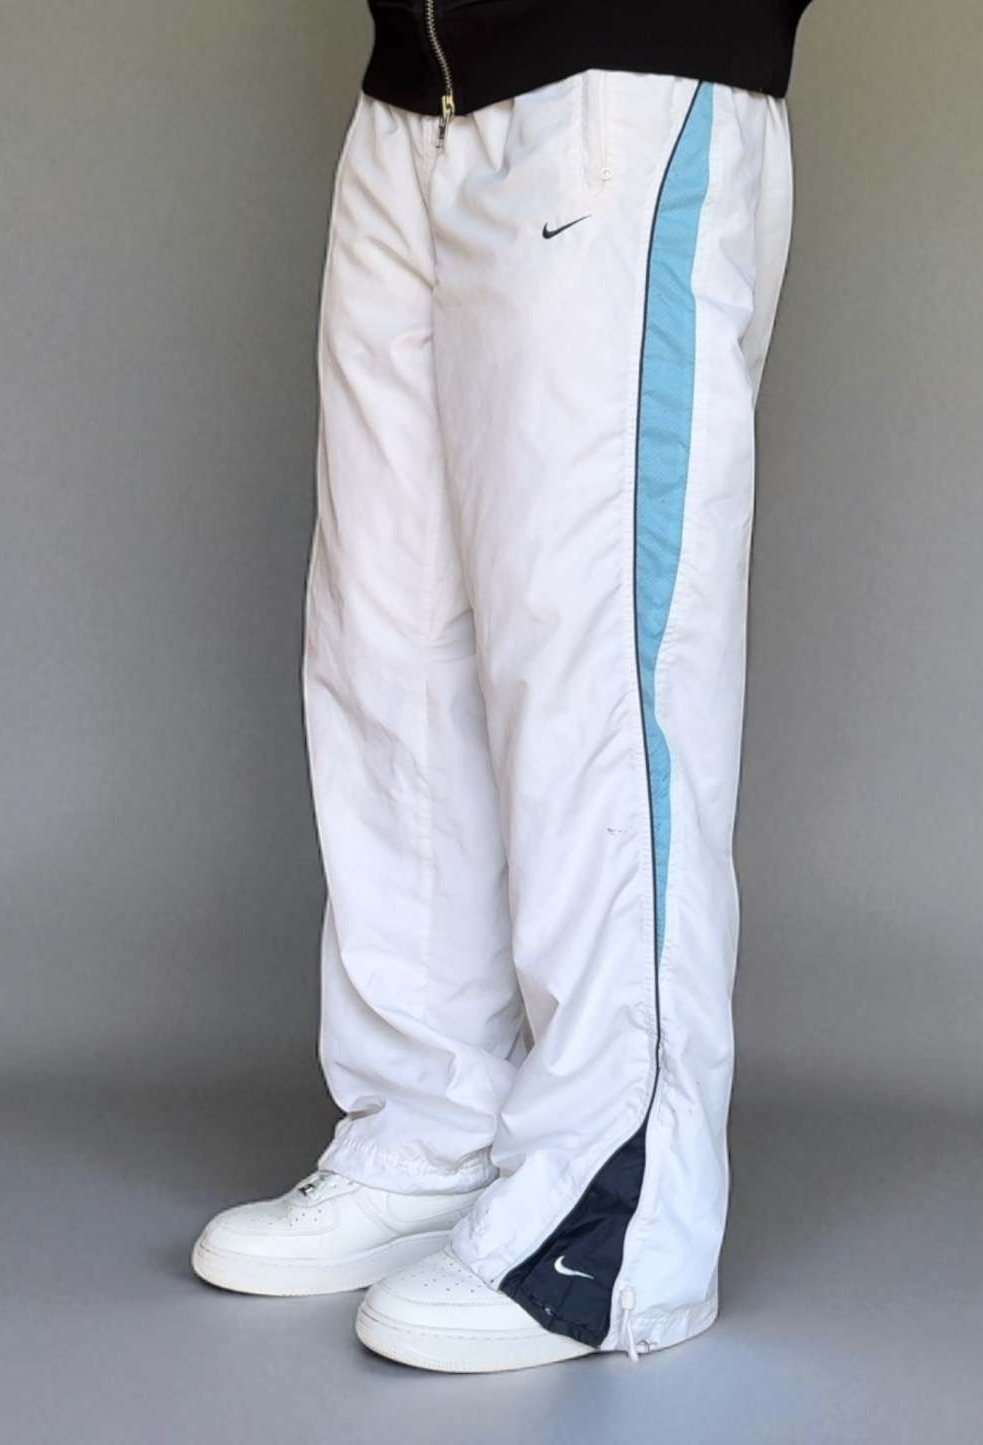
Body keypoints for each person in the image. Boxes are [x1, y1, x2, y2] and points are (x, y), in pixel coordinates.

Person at [192, 0, 815, 1373]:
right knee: (388, 644)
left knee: (595, 662)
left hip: (622, 73)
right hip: (414, 90)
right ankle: (432, 1130)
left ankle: (614, 1222)